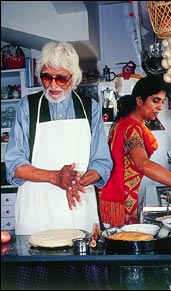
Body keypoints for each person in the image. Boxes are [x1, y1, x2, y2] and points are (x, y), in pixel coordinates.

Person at [5, 41, 113, 235]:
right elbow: (14, 165)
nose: (53, 85)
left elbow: (102, 163)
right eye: (47, 77)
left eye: (61, 78)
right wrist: (55, 178)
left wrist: (77, 182)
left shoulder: (90, 108)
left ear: (73, 78)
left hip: (78, 207)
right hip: (37, 209)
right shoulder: (27, 107)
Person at [99, 75, 171, 227]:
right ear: (139, 101)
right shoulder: (131, 127)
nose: (160, 106)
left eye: (162, 102)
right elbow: (143, 165)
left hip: (118, 200)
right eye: (155, 100)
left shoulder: (122, 123)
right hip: (121, 205)